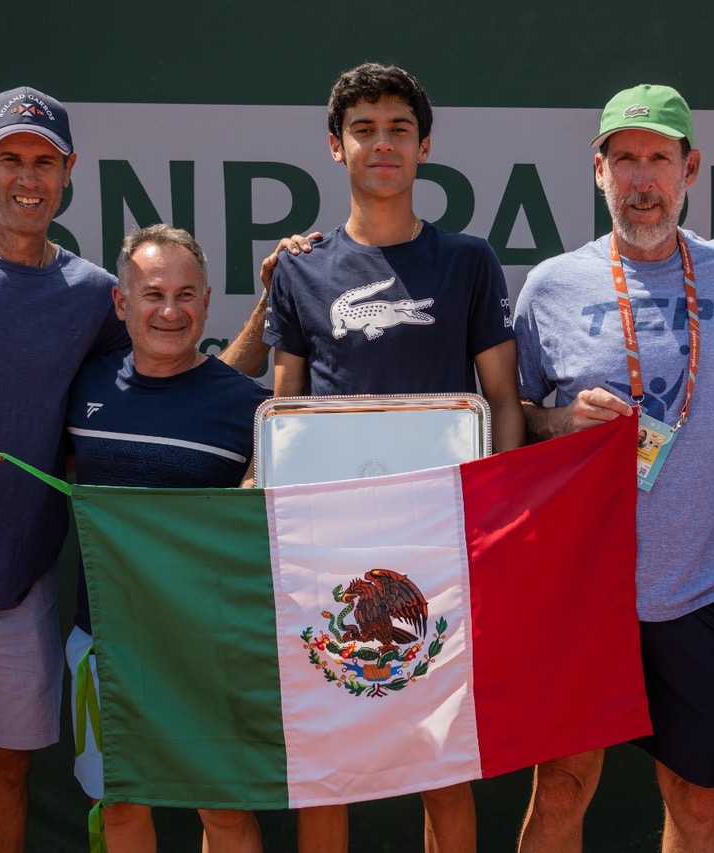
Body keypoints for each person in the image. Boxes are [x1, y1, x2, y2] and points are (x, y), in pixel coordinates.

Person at [0, 86, 267, 853]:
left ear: (68, 171)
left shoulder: (89, 295)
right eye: (11, 160)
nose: (28, 179)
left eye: (45, 162)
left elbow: (173, 382)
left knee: (5, 770)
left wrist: (265, 314)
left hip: (23, 582)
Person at [261, 62, 523, 853]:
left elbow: (504, 400)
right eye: (365, 129)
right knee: (325, 755)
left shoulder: (469, 261)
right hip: (326, 550)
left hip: (439, 546)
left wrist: (494, 513)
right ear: (336, 147)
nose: (383, 144)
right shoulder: (301, 267)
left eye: (398, 129)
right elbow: (283, 416)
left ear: (425, 146)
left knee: (441, 758)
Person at [512, 84, 714, 853]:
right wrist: (561, 420)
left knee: (694, 801)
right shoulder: (550, 286)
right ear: (600, 172)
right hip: (580, 592)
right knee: (559, 791)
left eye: (659, 158)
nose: (642, 178)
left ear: (690, 169)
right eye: (625, 159)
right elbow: (509, 424)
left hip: (701, 589)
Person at [65, 224, 268, 852]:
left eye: (186, 294)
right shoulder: (82, 386)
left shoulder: (248, 407)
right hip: (101, 641)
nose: (171, 310)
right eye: (153, 294)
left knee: (224, 813)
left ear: (207, 302)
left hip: (209, 646)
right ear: (123, 304)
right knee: (121, 808)